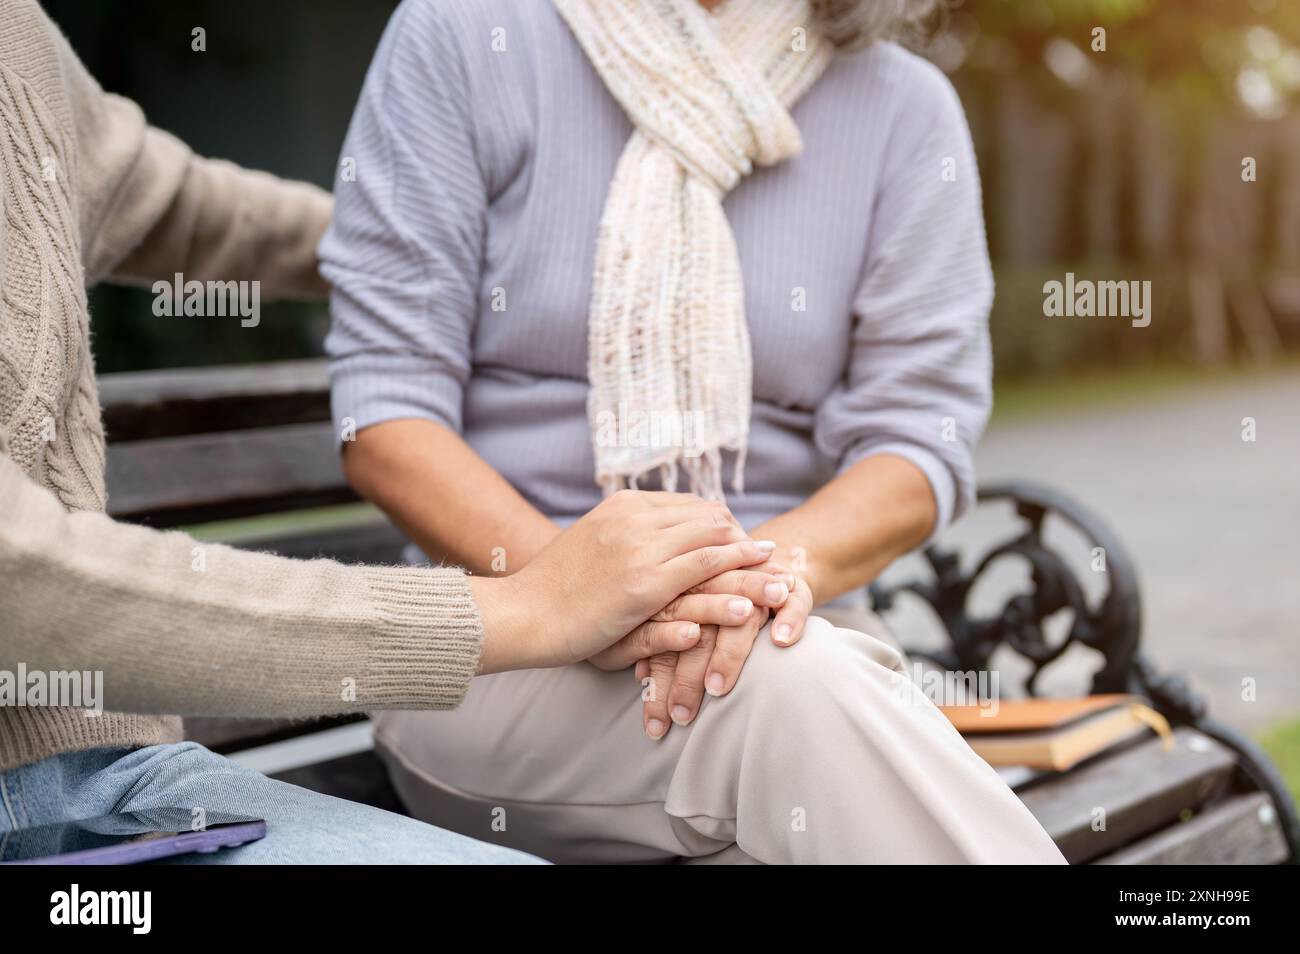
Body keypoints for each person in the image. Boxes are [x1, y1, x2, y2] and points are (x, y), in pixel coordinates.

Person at [0, 0, 787, 864]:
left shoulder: (15, 35)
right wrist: (526, 606)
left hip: (118, 777)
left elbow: (179, 206)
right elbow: (24, 577)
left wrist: (428, 244)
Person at [322, 0, 1067, 863]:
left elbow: (916, 442)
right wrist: (577, 592)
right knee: (805, 703)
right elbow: (385, 413)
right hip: (506, 650)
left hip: (797, 625)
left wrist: (753, 584)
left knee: (806, 712)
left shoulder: (903, 107)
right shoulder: (466, 34)